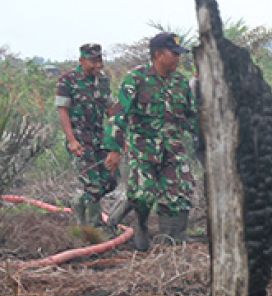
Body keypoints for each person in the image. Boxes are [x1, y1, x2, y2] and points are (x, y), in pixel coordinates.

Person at [103, 32, 200, 250]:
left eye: (179, 54)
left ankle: (172, 243)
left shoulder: (180, 82)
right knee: (143, 195)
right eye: (173, 54)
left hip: (173, 149)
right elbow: (119, 114)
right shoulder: (136, 79)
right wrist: (115, 149)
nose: (177, 58)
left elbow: (191, 117)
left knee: (179, 194)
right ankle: (139, 224)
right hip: (144, 149)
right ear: (158, 54)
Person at [55, 43, 117, 226]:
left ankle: (79, 201)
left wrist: (118, 133)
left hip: (100, 139)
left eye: (99, 60)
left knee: (111, 181)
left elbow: (109, 108)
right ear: (81, 60)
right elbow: (63, 111)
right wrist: (72, 140)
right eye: (92, 61)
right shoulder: (67, 81)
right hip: (80, 139)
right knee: (93, 184)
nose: (97, 65)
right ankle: (92, 227)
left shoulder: (103, 80)